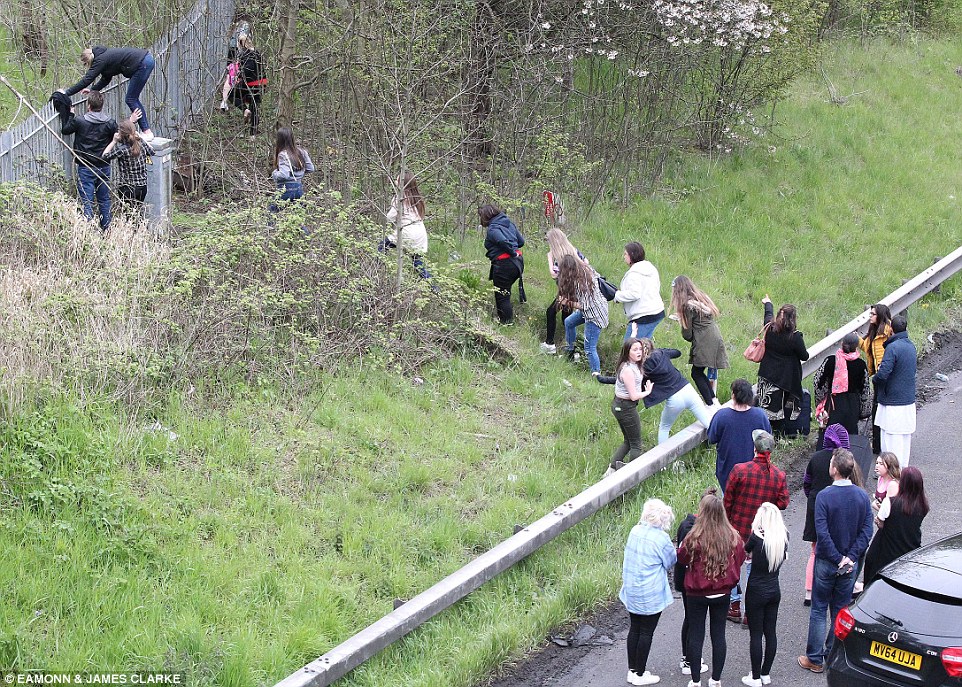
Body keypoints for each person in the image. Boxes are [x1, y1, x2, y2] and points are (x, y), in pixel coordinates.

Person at [798, 449, 873, 674]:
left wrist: (837, 557)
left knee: (819, 609)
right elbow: (866, 531)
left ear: (834, 469)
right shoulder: (862, 496)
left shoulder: (824, 496)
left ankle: (814, 658)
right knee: (840, 610)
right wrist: (850, 557)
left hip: (827, 561)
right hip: (849, 565)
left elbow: (822, 531)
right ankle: (832, 654)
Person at [677, 492, 746, 687]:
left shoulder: (694, 536)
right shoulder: (732, 536)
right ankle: (716, 679)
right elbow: (740, 558)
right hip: (722, 592)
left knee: (696, 634)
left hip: (696, 593)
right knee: (718, 635)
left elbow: (681, 558)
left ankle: (696, 680)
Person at [722, 429, 789, 623]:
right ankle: (750, 612)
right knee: (754, 570)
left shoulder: (739, 470)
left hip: (737, 529)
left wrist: (727, 523)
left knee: (732, 566)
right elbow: (784, 503)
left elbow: (727, 501)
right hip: (761, 533)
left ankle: (734, 605)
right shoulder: (778, 475)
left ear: (754, 448)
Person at [619, 498, 677, 686]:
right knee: (646, 632)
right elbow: (670, 561)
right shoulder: (661, 538)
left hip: (631, 590)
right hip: (650, 593)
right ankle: (640, 674)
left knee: (635, 628)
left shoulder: (634, 531)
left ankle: (632, 670)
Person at [59, 46, 155, 140]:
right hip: (145, 60)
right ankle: (146, 131)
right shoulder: (104, 56)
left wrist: (66, 93)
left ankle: (147, 132)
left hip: (142, 63)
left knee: (131, 99)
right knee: (132, 98)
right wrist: (93, 90)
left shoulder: (100, 60)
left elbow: (87, 80)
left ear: (88, 61)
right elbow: (106, 79)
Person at [802, 423, 850, 607]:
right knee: (835, 547)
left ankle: (809, 591)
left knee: (814, 551)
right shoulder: (845, 462)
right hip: (837, 509)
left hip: (815, 506)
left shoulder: (816, 458)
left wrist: (812, 498)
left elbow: (807, 483)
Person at [742, 503, 789, 687]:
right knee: (770, 632)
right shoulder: (783, 538)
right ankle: (765, 673)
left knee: (755, 634)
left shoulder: (756, 538)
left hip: (756, 589)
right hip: (773, 590)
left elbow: (745, 550)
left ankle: (754, 677)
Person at [632, 339, 715, 444]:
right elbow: (677, 352)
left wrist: (604, 379)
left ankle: (663, 455)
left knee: (664, 427)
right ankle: (723, 443)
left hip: (674, 399)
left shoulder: (640, 369)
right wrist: (663, 351)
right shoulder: (661, 354)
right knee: (708, 423)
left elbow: (624, 380)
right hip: (688, 390)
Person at [61, 90, 117, 232]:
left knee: (87, 201)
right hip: (104, 166)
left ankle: (88, 233)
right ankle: (107, 229)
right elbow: (116, 138)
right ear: (102, 105)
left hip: (85, 167)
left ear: (88, 105)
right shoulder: (110, 123)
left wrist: (71, 114)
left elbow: (65, 130)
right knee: (104, 200)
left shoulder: (80, 121)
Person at [675, 488, 716, 679]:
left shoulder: (689, 524)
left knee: (691, 619)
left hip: (690, 581)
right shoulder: (690, 527)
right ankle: (689, 659)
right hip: (689, 581)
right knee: (692, 621)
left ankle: (689, 657)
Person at [669, 276, 729, 406]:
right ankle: (713, 401)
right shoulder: (701, 297)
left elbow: (687, 334)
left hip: (704, 341)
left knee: (696, 373)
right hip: (715, 336)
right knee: (700, 372)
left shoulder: (687, 306)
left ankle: (710, 404)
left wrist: (681, 322)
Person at [863, 466, 928, 583]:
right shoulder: (923, 505)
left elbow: (880, 521)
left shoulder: (891, 502)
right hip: (910, 545)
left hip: (887, 547)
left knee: (873, 570)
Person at [756, 296, 809, 436]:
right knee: (780, 412)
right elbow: (804, 356)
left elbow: (768, 315)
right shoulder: (795, 337)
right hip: (785, 380)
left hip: (766, 375)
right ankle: (778, 438)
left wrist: (768, 303)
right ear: (793, 319)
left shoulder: (769, 328)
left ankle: (763, 437)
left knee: (765, 408)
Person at [708, 379, 771, 492]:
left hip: (727, 473)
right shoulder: (760, 415)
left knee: (729, 505)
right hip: (755, 473)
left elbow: (712, 438)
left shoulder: (721, 416)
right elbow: (768, 441)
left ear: (733, 395)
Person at [873, 315, 917, 465]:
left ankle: (891, 473)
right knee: (904, 442)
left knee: (890, 441)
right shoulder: (911, 346)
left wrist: (875, 379)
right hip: (907, 401)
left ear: (891, 329)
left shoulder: (892, 348)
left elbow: (883, 373)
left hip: (892, 403)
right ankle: (902, 471)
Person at [607, 338, 655, 474]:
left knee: (628, 441)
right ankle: (630, 476)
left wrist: (634, 332)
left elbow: (631, 343)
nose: (639, 352)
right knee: (636, 445)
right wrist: (648, 391)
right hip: (625, 407)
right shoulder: (627, 370)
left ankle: (611, 470)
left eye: (640, 349)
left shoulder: (632, 364)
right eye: (635, 350)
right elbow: (633, 396)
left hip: (621, 406)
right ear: (628, 352)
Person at [557, 255, 608, 376]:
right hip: (595, 307)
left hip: (595, 315)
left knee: (589, 347)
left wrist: (566, 302)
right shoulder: (586, 270)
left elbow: (585, 306)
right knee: (569, 322)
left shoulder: (581, 284)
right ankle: (570, 351)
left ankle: (596, 374)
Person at [813, 332, 870, 440]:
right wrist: (863, 412)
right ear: (856, 346)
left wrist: (820, 401)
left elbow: (818, 382)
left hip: (834, 404)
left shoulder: (830, 361)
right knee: (850, 438)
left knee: (831, 436)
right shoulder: (861, 364)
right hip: (852, 405)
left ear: (842, 343)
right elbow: (865, 390)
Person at [541, 228, 588, 354]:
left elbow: (553, 274)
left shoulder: (559, 256)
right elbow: (586, 263)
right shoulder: (574, 251)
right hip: (576, 289)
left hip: (567, 290)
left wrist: (549, 258)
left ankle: (549, 344)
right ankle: (573, 349)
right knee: (566, 318)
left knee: (551, 312)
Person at [480, 204, 525, 324]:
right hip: (518, 263)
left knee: (502, 296)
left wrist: (510, 251)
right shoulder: (509, 223)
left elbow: (502, 241)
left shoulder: (493, 229)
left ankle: (506, 323)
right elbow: (521, 242)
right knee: (505, 293)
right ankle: (505, 321)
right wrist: (514, 251)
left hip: (505, 264)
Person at [381, 172, 430, 279]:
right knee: (418, 264)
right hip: (420, 234)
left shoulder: (400, 198)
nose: (395, 182)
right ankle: (434, 288)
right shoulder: (416, 197)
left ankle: (379, 273)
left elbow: (390, 217)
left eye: (397, 181)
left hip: (407, 232)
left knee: (381, 248)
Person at [614, 242, 665, 342]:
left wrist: (617, 295)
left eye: (625, 254)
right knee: (644, 347)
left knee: (629, 348)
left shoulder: (634, 273)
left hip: (643, 316)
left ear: (631, 256)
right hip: (656, 312)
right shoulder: (651, 269)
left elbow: (634, 294)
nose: (623, 257)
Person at [102, 110, 154, 208]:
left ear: (121, 134)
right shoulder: (141, 144)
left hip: (127, 188)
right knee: (137, 213)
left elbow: (104, 156)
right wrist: (141, 138)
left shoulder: (122, 149)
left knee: (127, 215)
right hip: (142, 187)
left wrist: (113, 141)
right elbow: (152, 151)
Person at [860, 304, 893, 453]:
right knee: (876, 410)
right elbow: (868, 347)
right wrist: (857, 340)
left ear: (879, 316)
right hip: (879, 377)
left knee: (881, 409)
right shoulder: (875, 332)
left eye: (873, 314)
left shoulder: (888, 332)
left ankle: (883, 442)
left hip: (886, 377)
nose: (870, 316)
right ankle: (877, 443)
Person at [232, 34, 266, 136]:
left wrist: (238, 75)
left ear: (241, 44)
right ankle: (252, 134)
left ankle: (244, 110)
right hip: (261, 83)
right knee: (255, 107)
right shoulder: (257, 53)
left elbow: (246, 71)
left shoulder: (245, 54)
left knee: (231, 94)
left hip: (250, 84)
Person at [271, 127, 314, 204]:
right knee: (299, 213)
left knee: (271, 212)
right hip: (299, 188)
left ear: (279, 140)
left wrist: (274, 173)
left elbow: (284, 175)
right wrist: (299, 173)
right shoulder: (302, 152)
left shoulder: (283, 155)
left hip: (285, 189)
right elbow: (311, 168)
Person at [872, 451, 901, 517]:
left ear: (889, 466)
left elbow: (890, 510)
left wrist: (875, 505)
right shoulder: (880, 479)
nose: (877, 466)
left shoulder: (892, 484)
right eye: (877, 463)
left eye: (881, 464)